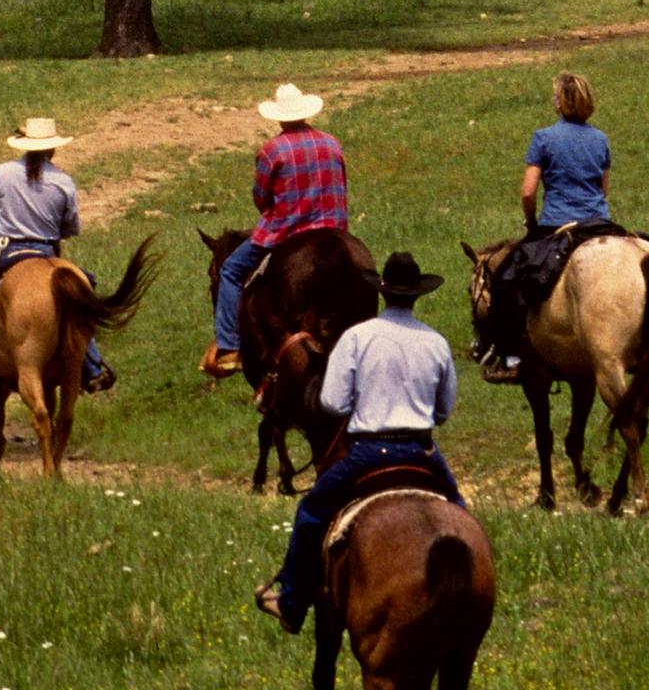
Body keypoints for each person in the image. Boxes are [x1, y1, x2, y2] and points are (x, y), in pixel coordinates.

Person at [260, 250, 468, 632]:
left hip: (369, 455)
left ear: (384, 293)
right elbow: (443, 411)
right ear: (416, 295)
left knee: (310, 513)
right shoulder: (436, 342)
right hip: (422, 454)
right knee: (461, 511)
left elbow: (331, 402)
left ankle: (291, 604)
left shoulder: (357, 337)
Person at [0, 117, 115, 397]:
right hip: (49, 252)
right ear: (53, 149)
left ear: (24, 147)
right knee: (82, 297)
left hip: (8, 251)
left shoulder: (3, 173)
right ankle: (92, 368)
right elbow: (71, 228)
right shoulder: (63, 182)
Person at [473, 73, 620, 382]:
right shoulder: (601, 139)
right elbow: (603, 189)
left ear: (560, 102)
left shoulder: (544, 138)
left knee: (506, 278)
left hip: (558, 224)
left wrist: (531, 221)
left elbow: (528, 191)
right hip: (599, 224)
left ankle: (510, 356)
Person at [208, 83, 347, 379]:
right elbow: (341, 185)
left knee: (231, 270)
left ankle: (230, 347)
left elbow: (261, 198)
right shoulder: (332, 143)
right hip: (334, 229)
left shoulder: (272, 151)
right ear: (307, 114)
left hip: (287, 231)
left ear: (280, 118)